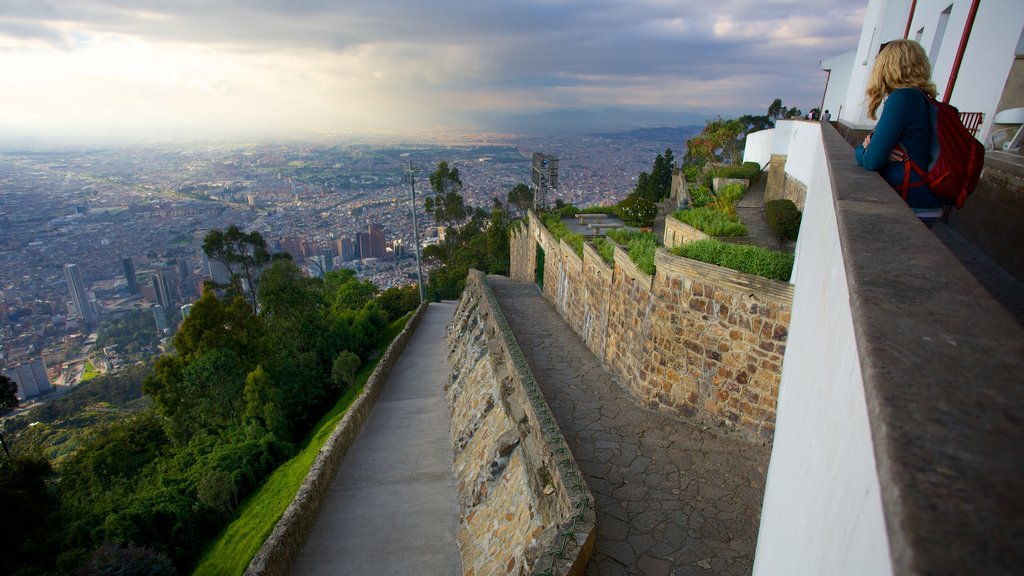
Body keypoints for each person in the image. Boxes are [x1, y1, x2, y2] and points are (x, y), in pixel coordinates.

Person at [855, 39, 942, 219]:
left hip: (912, 203)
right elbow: (873, 154)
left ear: (888, 67)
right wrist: (874, 152)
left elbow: (871, 160)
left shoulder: (903, 98)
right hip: (921, 201)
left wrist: (867, 151)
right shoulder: (919, 97)